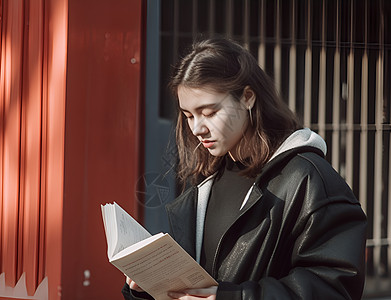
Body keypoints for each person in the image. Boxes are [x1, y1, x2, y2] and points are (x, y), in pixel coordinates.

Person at [123, 38, 367, 300]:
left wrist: (233, 297)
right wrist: (149, 289)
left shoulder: (308, 179)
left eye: (209, 111)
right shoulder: (204, 180)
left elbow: (334, 288)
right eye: (189, 115)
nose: (197, 129)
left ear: (248, 97)